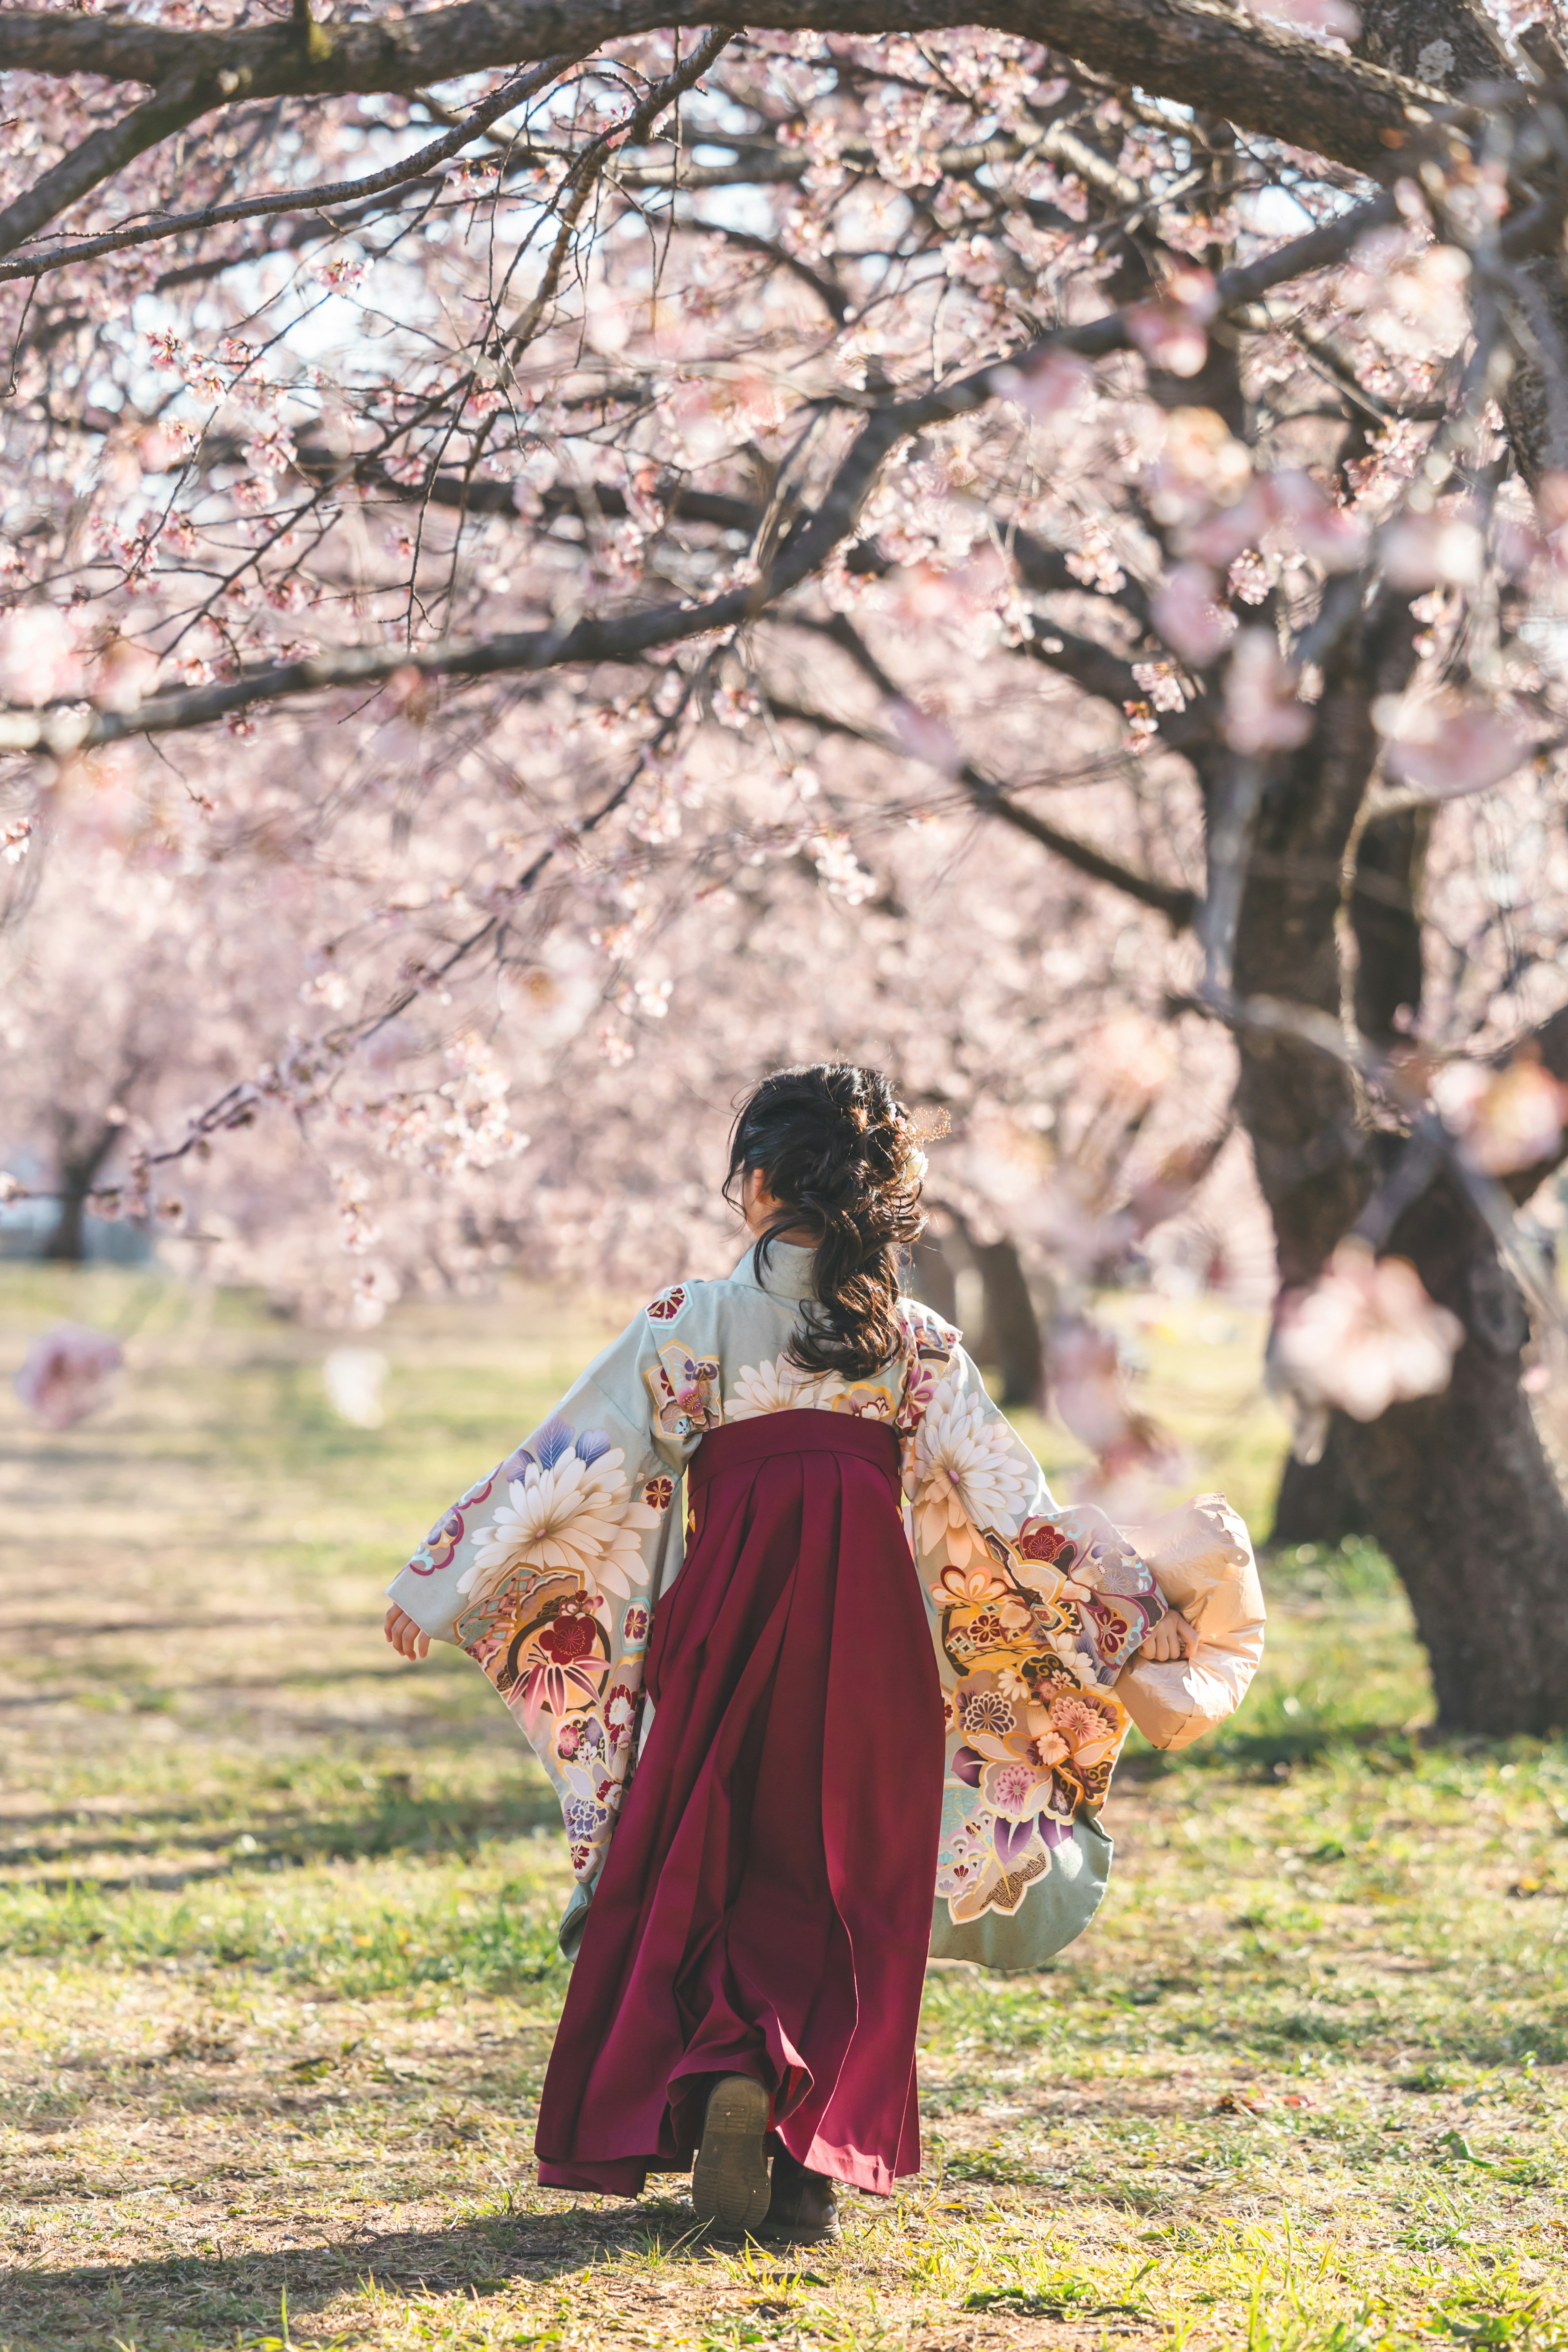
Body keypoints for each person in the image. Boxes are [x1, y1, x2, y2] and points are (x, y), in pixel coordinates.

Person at [384, 1062, 1197, 2243]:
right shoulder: (916, 1344)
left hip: (730, 1620)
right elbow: (1019, 1508)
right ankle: (807, 2168)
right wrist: (1130, 1595)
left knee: (708, 1849)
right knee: (848, 1882)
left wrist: (444, 1580)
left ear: (757, 1184)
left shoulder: (692, 1323)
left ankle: (724, 2062)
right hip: (869, 1642)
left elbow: (572, 1462)